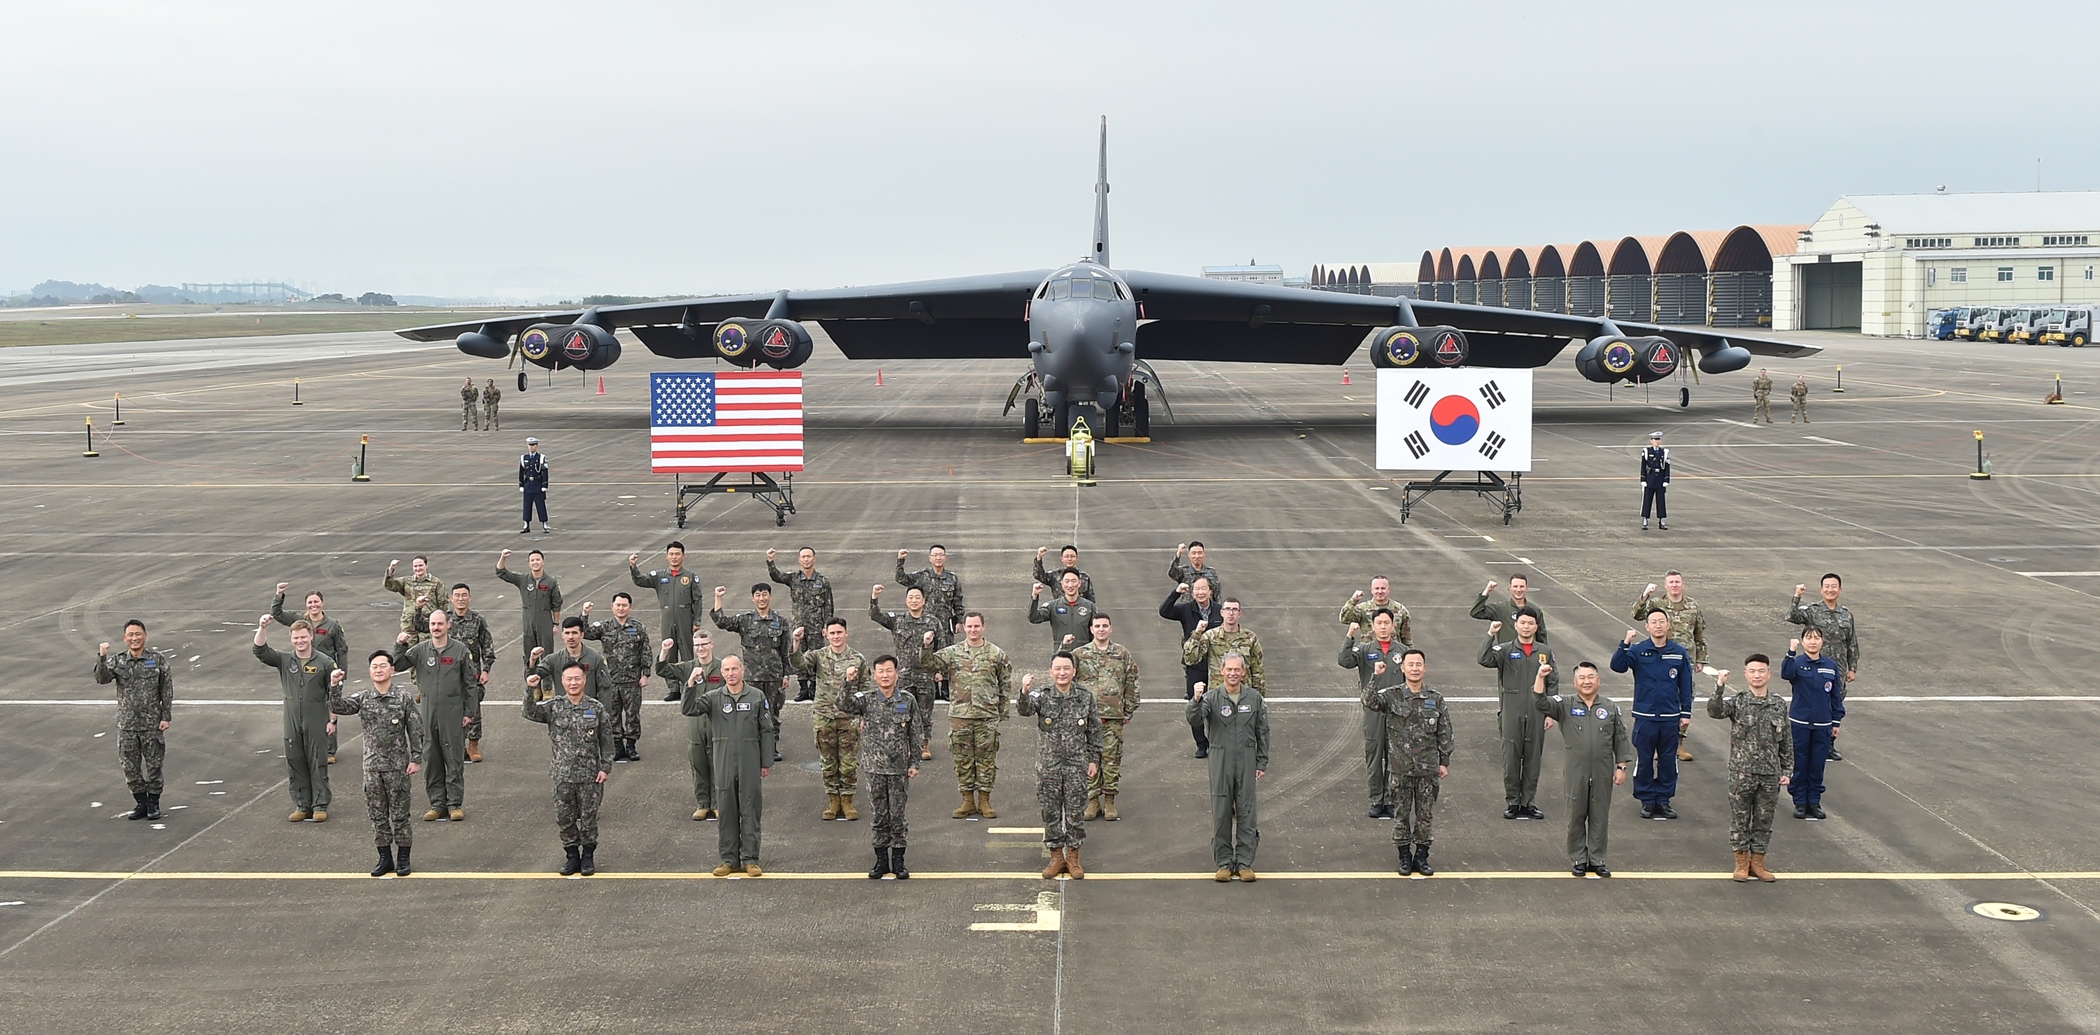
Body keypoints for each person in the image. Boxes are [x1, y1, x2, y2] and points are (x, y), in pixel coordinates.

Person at [328, 650, 424, 877]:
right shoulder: (363, 698)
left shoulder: (403, 697)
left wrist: (416, 758)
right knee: (377, 814)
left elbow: (415, 728)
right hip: (372, 767)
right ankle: (384, 857)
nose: (378, 670)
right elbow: (339, 706)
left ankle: (403, 857)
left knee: (400, 814)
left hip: (398, 766)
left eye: (383, 665)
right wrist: (335, 685)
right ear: (370, 671)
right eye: (374, 666)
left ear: (392, 669)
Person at [1534, 661, 1632, 877]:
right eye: (1582, 678)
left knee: (1599, 815)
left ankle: (1597, 860)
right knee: (1576, 815)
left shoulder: (1609, 707)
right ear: (1575, 682)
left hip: (1603, 769)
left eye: (1591, 677)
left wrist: (1621, 766)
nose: (1586, 681)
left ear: (1599, 680)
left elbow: (1621, 738)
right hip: (1575, 770)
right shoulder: (1565, 704)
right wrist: (1541, 677)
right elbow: (1540, 703)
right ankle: (1579, 858)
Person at [838, 655, 929, 878]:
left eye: (889, 671)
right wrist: (848, 682)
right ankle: (881, 861)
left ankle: (898, 861)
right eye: (880, 671)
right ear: (875, 674)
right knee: (879, 816)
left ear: (896, 673)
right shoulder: (866, 699)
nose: (885, 675)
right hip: (874, 768)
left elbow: (916, 732)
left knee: (897, 816)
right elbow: (843, 706)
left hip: (898, 769)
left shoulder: (907, 700)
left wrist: (915, 762)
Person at [1365, 648, 1453, 876]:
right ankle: (1404, 857)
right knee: (1401, 816)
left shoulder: (1435, 698)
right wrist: (1376, 676)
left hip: (1427, 769)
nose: (1415, 668)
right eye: (1410, 664)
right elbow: (1368, 701)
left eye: (1419, 664)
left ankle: (1422, 857)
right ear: (1402, 668)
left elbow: (1444, 732)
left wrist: (1444, 761)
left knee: (1425, 816)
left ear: (1425, 668)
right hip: (1400, 768)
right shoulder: (1392, 695)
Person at [918, 614, 1014, 819]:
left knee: (986, 761)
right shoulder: (954, 652)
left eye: (976, 626)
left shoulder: (996, 654)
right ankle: (968, 800)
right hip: (961, 716)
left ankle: (985, 801)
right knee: (963, 760)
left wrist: (1002, 713)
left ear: (983, 627)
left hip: (986, 716)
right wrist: (926, 645)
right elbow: (929, 664)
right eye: (969, 626)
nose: (972, 630)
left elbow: (1005, 684)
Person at [521, 663, 614, 876]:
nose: (573, 683)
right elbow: (529, 712)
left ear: (585, 681)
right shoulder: (554, 707)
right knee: (564, 818)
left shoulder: (596, 708)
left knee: (589, 818)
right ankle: (572, 856)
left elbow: (607, 741)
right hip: (562, 775)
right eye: (569, 679)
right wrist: (529, 689)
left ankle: (588, 857)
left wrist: (605, 767)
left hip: (590, 776)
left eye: (577, 679)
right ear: (562, 682)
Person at [1019, 653, 1104, 879]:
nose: (1062, 673)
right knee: (1050, 811)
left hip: (1076, 766)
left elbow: (1094, 730)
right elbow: (1025, 710)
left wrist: (1094, 759)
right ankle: (1056, 856)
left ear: (1074, 671)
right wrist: (1025, 692)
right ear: (1051, 672)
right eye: (1057, 668)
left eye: (1067, 668)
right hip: (1049, 766)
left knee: (1076, 812)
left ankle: (1074, 857)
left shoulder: (1085, 697)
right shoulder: (1043, 695)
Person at [1708, 656, 1792, 882]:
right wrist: (1719, 686)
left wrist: (1787, 770)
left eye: (1761, 671)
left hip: (1769, 773)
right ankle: (1741, 862)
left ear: (1769, 674)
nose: (1757, 675)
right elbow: (1714, 711)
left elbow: (1786, 739)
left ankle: (1758, 862)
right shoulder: (1738, 702)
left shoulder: (1778, 704)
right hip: (1741, 772)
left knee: (1765, 820)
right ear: (1746, 675)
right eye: (1752, 671)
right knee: (1740, 819)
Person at [390, 609, 479, 822]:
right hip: (428, 713)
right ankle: (437, 803)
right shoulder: (421, 650)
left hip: (453, 713)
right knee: (431, 759)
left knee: (454, 759)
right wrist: (399, 645)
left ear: (448, 625)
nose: (436, 628)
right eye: (432, 624)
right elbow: (398, 665)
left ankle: (454, 803)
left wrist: (469, 712)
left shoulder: (460, 650)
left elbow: (470, 683)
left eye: (439, 624)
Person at [1187, 655, 1268, 882]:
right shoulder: (1211, 698)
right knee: (1221, 811)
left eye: (1237, 670)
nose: (1233, 673)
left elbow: (1263, 731)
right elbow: (1193, 719)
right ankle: (1224, 862)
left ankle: (1244, 863)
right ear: (1221, 671)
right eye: (1229, 669)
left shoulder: (1254, 698)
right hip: (1220, 758)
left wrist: (1261, 762)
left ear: (1243, 672)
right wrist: (1195, 699)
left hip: (1247, 758)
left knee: (1247, 811)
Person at [253, 615, 341, 822]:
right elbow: (260, 651)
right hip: (292, 721)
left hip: (317, 720)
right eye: (296, 638)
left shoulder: (325, 662)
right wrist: (262, 628)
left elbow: (334, 694)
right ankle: (302, 805)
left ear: (311, 636)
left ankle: (320, 805)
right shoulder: (285, 660)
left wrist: (332, 721)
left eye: (303, 637)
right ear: (291, 639)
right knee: (295, 761)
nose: (300, 641)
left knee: (317, 762)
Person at [1610, 609, 1694, 821]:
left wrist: (1686, 712)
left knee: (1668, 761)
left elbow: (1685, 684)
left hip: (1670, 717)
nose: (1658, 625)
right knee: (1645, 759)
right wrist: (1625, 643)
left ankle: (1663, 800)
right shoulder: (1639, 651)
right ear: (1647, 626)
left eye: (1661, 622)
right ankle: (1647, 800)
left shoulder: (1678, 652)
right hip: (1645, 716)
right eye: (1653, 622)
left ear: (1668, 625)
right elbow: (1617, 666)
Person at [1478, 610, 1555, 821]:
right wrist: (1490, 634)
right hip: (1512, 709)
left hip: (1537, 710)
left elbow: (1553, 681)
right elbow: (1483, 659)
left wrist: (1552, 712)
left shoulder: (1545, 651)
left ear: (1536, 627)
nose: (1527, 626)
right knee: (1511, 757)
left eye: (1531, 623)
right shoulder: (1504, 649)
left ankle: (1528, 802)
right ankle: (1513, 801)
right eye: (1523, 623)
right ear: (1517, 626)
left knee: (1533, 757)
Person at [702, 655, 775, 876]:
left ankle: (751, 859)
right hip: (724, 762)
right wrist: (690, 684)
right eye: (726, 669)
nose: (731, 673)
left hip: (750, 761)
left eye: (735, 668)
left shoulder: (756, 696)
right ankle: (729, 859)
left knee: (750, 810)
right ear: (722, 673)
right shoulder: (714, 697)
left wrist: (766, 761)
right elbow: (688, 708)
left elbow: (767, 730)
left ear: (742, 670)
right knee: (726, 812)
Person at [791, 617, 869, 820]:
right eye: (832, 633)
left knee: (849, 762)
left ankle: (848, 801)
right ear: (826, 634)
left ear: (846, 633)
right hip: (824, 717)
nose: (836, 636)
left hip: (848, 718)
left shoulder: (858, 659)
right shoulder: (818, 656)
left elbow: (865, 690)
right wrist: (796, 643)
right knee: (828, 762)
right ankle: (833, 801)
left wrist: (864, 716)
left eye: (839, 632)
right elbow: (798, 664)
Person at [96, 619, 173, 822]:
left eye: (138, 634)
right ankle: (141, 802)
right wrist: (102, 657)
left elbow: (166, 689)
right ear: (124, 638)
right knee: (130, 766)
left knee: (154, 765)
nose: (134, 638)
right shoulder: (119, 661)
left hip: (151, 724)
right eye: (130, 635)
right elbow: (102, 679)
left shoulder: (157, 660)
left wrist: (166, 716)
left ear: (145, 636)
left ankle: (154, 803)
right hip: (127, 725)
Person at [1632, 571, 1709, 762]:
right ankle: (1661, 744)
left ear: (1683, 584)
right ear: (1666, 585)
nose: (1674, 585)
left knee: (1686, 698)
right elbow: (1637, 614)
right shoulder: (1657, 605)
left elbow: (1699, 633)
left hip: (1686, 660)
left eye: (1677, 582)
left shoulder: (1693, 606)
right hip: (1661, 659)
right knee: (1662, 697)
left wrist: (1701, 659)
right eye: (1671, 582)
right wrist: (1645, 595)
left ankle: (1679, 743)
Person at [1338, 609, 1407, 819]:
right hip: (1373, 711)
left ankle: (1393, 800)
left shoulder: (1403, 651)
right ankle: (1377, 800)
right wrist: (1349, 636)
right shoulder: (1365, 649)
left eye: (1387, 623)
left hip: (1397, 711)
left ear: (1393, 626)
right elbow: (1344, 660)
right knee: (1375, 756)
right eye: (1379, 623)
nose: (1384, 627)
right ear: (1374, 626)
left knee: (1396, 758)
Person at [712, 584, 793, 760]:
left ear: (770, 597)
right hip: (750, 677)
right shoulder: (745, 619)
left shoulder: (780, 621)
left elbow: (786, 650)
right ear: (753, 598)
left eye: (765, 594)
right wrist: (718, 598)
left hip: (773, 677)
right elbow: (721, 622)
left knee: (772, 714)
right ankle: (751, 747)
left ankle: (771, 747)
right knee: (748, 714)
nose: (762, 598)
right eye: (758, 595)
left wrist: (786, 674)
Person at [271, 583, 349, 763]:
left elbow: (342, 649)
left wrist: (342, 672)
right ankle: (306, 746)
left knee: (331, 707)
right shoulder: (300, 622)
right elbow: (277, 614)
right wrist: (279, 594)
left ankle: (329, 750)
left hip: (327, 672)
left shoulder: (333, 625)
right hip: (305, 673)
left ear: (323, 603)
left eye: (316, 602)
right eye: (310, 602)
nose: (313, 605)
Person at [1074, 613, 1139, 821]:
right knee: (1089, 759)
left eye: (1104, 626)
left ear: (1111, 629)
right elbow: (1066, 680)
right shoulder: (1079, 654)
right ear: (1091, 630)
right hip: (1086, 719)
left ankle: (1110, 801)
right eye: (1097, 626)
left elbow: (1132, 681)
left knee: (1111, 760)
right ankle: (1093, 801)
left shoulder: (1122, 653)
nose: (1101, 629)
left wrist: (1128, 709)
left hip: (1113, 718)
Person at [1787, 574, 1860, 761]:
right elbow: (1792, 616)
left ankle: (1828, 745)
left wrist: (1852, 667)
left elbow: (1852, 642)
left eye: (1834, 586)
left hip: (1839, 668)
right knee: (1811, 702)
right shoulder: (1813, 611)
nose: (1830, 589)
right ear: (1821, 590)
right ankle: (1804, 743)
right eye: (1826, 586)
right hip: (1813, 666)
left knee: (1835, 703)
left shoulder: (1846, 614)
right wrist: (1797, 596)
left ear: (1840, 590)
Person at [870, 584, 941, 760]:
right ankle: (907, 744)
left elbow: (942, 648)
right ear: (906, 601)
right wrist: (874, 597)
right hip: (904, 676)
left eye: (917, 597)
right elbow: (875, 615)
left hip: (926, 675)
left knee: (925, 712)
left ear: (924, 601)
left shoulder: (933, 622)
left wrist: (940, 672)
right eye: (910, 597)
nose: (914, 600)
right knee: (903, 711)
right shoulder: (898, 620)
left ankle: (924, 744)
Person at [658, 632, 724, 820]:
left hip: (717, 721)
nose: (701, 648)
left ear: (712, 644)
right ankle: (703, 804)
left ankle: (718, 803)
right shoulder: (688, 667)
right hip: (695, 722)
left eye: (704, 644)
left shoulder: (722, 667)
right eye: (697, 645)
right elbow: (663, 670)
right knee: (698, 761)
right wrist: (664, 651)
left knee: (717, 763)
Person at [582, 592, 652, 763]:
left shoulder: (638, 627)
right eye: (618, 605)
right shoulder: (605, 626)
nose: (621, 608)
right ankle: (618, 745)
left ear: (630, 607)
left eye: (624, 605)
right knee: (612, 714)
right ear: (612, 607)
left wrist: (646, 674)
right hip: (610, 681)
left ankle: (631, 745)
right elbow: (586, 632)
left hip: (632, 680)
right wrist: (585, 614)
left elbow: (646, 651)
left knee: (632, 714)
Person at [1782, 629, 1844, 821]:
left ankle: (1814, 801)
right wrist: (1791, 652)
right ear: (1802, 641)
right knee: (1800, 764)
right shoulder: (1797, 663)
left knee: (1817, 765)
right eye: (1808, 638)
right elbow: (1786, 673)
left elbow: (1835, 696)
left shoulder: (1830, 666)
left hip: (1823, 724)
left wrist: (1836, 721)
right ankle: (1800, 802)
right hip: (1800, 723)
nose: (1813, 642)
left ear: (1822, 641)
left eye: (1816, 638)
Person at [1158, 576, 1223, 756]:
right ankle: (1201, 744)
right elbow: (1164, 611)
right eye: (1196, 589)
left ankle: (1218, 741)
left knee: (1219, 703)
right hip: (1195, 665)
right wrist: (1176, 593)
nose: (1200, 592)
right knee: (1196, 704)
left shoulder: (1220, 611)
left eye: (1204, 589)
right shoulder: (1187, 609)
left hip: (1218, 666)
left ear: (1211, 591)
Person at [769, 547, 836, 702]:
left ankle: (814, 687)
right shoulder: (793, 578)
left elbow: (828, 605)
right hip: (798, 626)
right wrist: (771, 561)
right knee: (798, 655)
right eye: (803, 557)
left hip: (816, 626)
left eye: (809, 556)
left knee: (815, 655)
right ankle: (803, 688)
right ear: (799, 560)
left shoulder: (822, 581)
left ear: (814, 559)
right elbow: (776, 576)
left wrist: (827, 626)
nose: (806, 559)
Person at [440, 584, 495, 763]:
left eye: (464, 595)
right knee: (450, 710)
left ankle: (473, 744)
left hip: (472, 674)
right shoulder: (445, 620)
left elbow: (487, 645)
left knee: (473, 709)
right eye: (457, 595)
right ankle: (457, 745)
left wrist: (486, 669)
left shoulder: (478, 620)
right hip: (449, 674)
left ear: (470, 598)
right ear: (451, 598)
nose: (461, 598)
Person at [631, 543, 705, 663]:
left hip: (685, 619)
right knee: (669, 652)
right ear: (667, 556)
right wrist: (634, 567)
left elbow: (697, 599)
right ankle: (672, 682)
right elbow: (640, 581)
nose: (674, 557)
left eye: (677, 554)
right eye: (671, 554)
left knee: (687, 654)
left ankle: (688, 681)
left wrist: (697, 621)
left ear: (683, 556)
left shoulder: (690, 576)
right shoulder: (659, 576)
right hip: (667, 620)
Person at [496, 548, 563, 668]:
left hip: (545, 621)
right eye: (532, 560)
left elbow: (556, 603)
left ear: (543, 562)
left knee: (547, 654)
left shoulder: (551, 581)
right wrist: (503, 557)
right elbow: (501, 572)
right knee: (529, 655)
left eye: (538, 559)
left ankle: (547, 685)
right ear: (529, 563)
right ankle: (531, 684)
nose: (535, 562)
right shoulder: (523, 580)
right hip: (528, 622)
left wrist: (556, 624)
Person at [1181, 598, 1264, 693]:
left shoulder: (1250, 638)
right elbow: (1191, 659)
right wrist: (1197, 633)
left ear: (1240, 614)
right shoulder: (1211, 636)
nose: (1231, 613)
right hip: (1218, 694)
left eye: (1235, 610)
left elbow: (1257, 670)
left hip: (1244, 694)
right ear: (1222, 612)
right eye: (1228, 609)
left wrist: (1259, 698)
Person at [895, 546, 966, 646]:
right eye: (935, 555)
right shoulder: (922, 576)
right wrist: (900, 560)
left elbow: (958, 601)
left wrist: (959, 621)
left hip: (944, 626)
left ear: (945, 557)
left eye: (941, 555)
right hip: (924, 624)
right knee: (924, 653)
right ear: (930, 558)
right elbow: (900, 578)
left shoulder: (952, 578)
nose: (938, 558)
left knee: (944, 655)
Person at [530, 618, 607, 705]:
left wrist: (604, 714)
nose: (570, 637)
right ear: (562, 635)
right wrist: (533, 660)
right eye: (567, 633)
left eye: (574, 633)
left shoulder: (595, 658)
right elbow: (532, 678)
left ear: (582, 635)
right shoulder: (553, 660)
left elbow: (605, 689)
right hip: (564, 713)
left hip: (589, 712)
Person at [1028, 572, 1097, 655]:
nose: (1070, 585)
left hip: (1084, 657)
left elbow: (1096, 633)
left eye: (1073, 581)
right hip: (1061, 656)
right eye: (1067, 581)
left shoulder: (1090, 606)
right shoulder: (1053, 606)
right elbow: (1034, 618)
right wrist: (1034, 596)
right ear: (1062, 584)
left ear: (1079, 583)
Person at [1469, 574, 1551, 643]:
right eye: (1515, 586)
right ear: (1510, 587)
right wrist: (1487, 591)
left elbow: (1541, 635)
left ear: (1527, 587)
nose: (1518, 590)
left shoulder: (1535, 610)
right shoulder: (1500, 608)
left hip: (1528, 658)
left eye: (1522, 586)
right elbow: (1476, 612)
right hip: (1506, 657)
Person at [383, 556, 442, 647]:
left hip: (427, 625)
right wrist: (391, 570)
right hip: (409, 625)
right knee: (408, 653)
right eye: (415, 566)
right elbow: (389, 586)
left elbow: (443, 604)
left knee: (427, 651)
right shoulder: (407, 581)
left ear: (426, 565)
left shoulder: (436, 583)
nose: (418, 568)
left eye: (420, 565)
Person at [1339, 577, 1412, 647]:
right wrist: (1353, 600)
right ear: (1372, 590)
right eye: (1377, 588)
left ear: (1388, 589)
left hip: (1393, 654)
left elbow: (1407, 639)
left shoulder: (1400, 610)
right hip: (1368, 654)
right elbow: (1344, 619)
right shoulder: (1362, 609)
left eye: (1383, 588)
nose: (1380, 591)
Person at [518, 437, 551, 534]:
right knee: (527, 506)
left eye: (533, 445)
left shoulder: (541, 458)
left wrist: (544, 484)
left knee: (540, 505)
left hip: (538, 484)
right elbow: (521, 472)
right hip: (528, 484)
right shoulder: (524, 458)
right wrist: (521, 484)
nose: (531, 447)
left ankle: (544, 523)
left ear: (536, 446)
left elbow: (544, 472)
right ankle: (526, 524)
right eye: (529, 445)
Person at [1640, 431, 1670, 531]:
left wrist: (1666, 479)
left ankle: (1662, 520)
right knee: (1647, 500)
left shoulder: (1664, 452)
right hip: (1650, 478)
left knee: (1661, 501)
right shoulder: (1647, 451)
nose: (1657, 441)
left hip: (1660, 479)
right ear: (1651, 440)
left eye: (1658, 439)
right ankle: (1645, 519)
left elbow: (1667, 467)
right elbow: (1643, 466)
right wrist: (1643, 479)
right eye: (1655, 439)